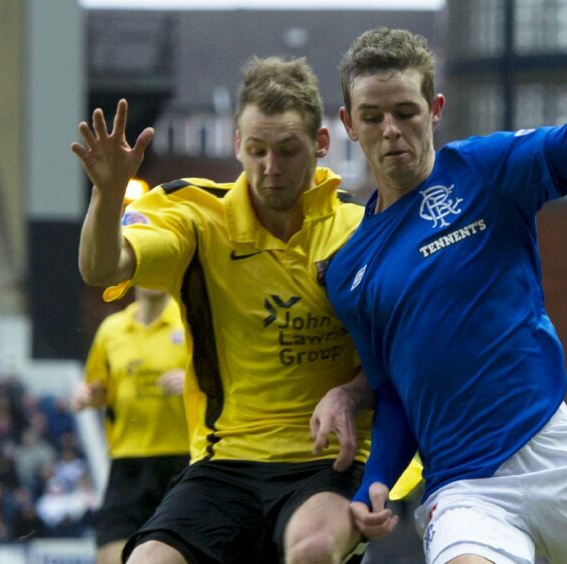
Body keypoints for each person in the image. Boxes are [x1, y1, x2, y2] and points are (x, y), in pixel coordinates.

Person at [325, 27, 567, 563]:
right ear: (349, 124)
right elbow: (393, 392)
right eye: (373, 117)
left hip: (559, 453)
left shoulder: (485, 169)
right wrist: (375, 481)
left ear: (435, 109)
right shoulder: (349, 268)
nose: (391, 130)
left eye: (405, 111)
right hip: (466, 491)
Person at [71, 56, 373, 563]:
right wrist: (105, 195)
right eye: (256, 150)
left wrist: (354, 394)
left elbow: (404, 354)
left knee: (315, 550)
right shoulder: (194, 216)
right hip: (226, 460)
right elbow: (103, 269)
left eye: (287, 151)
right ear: (237, 144)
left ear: (321, 145)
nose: (269, 169)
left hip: (329, 462)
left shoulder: (362, 229)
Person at [71, 287, 190, 564]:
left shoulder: (190, 321)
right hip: (127, 464)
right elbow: (97, 386)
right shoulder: (112, 329)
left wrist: (192, 383)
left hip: (182, 462)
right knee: (110, 553)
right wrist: (86, 396)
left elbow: (222, 383)